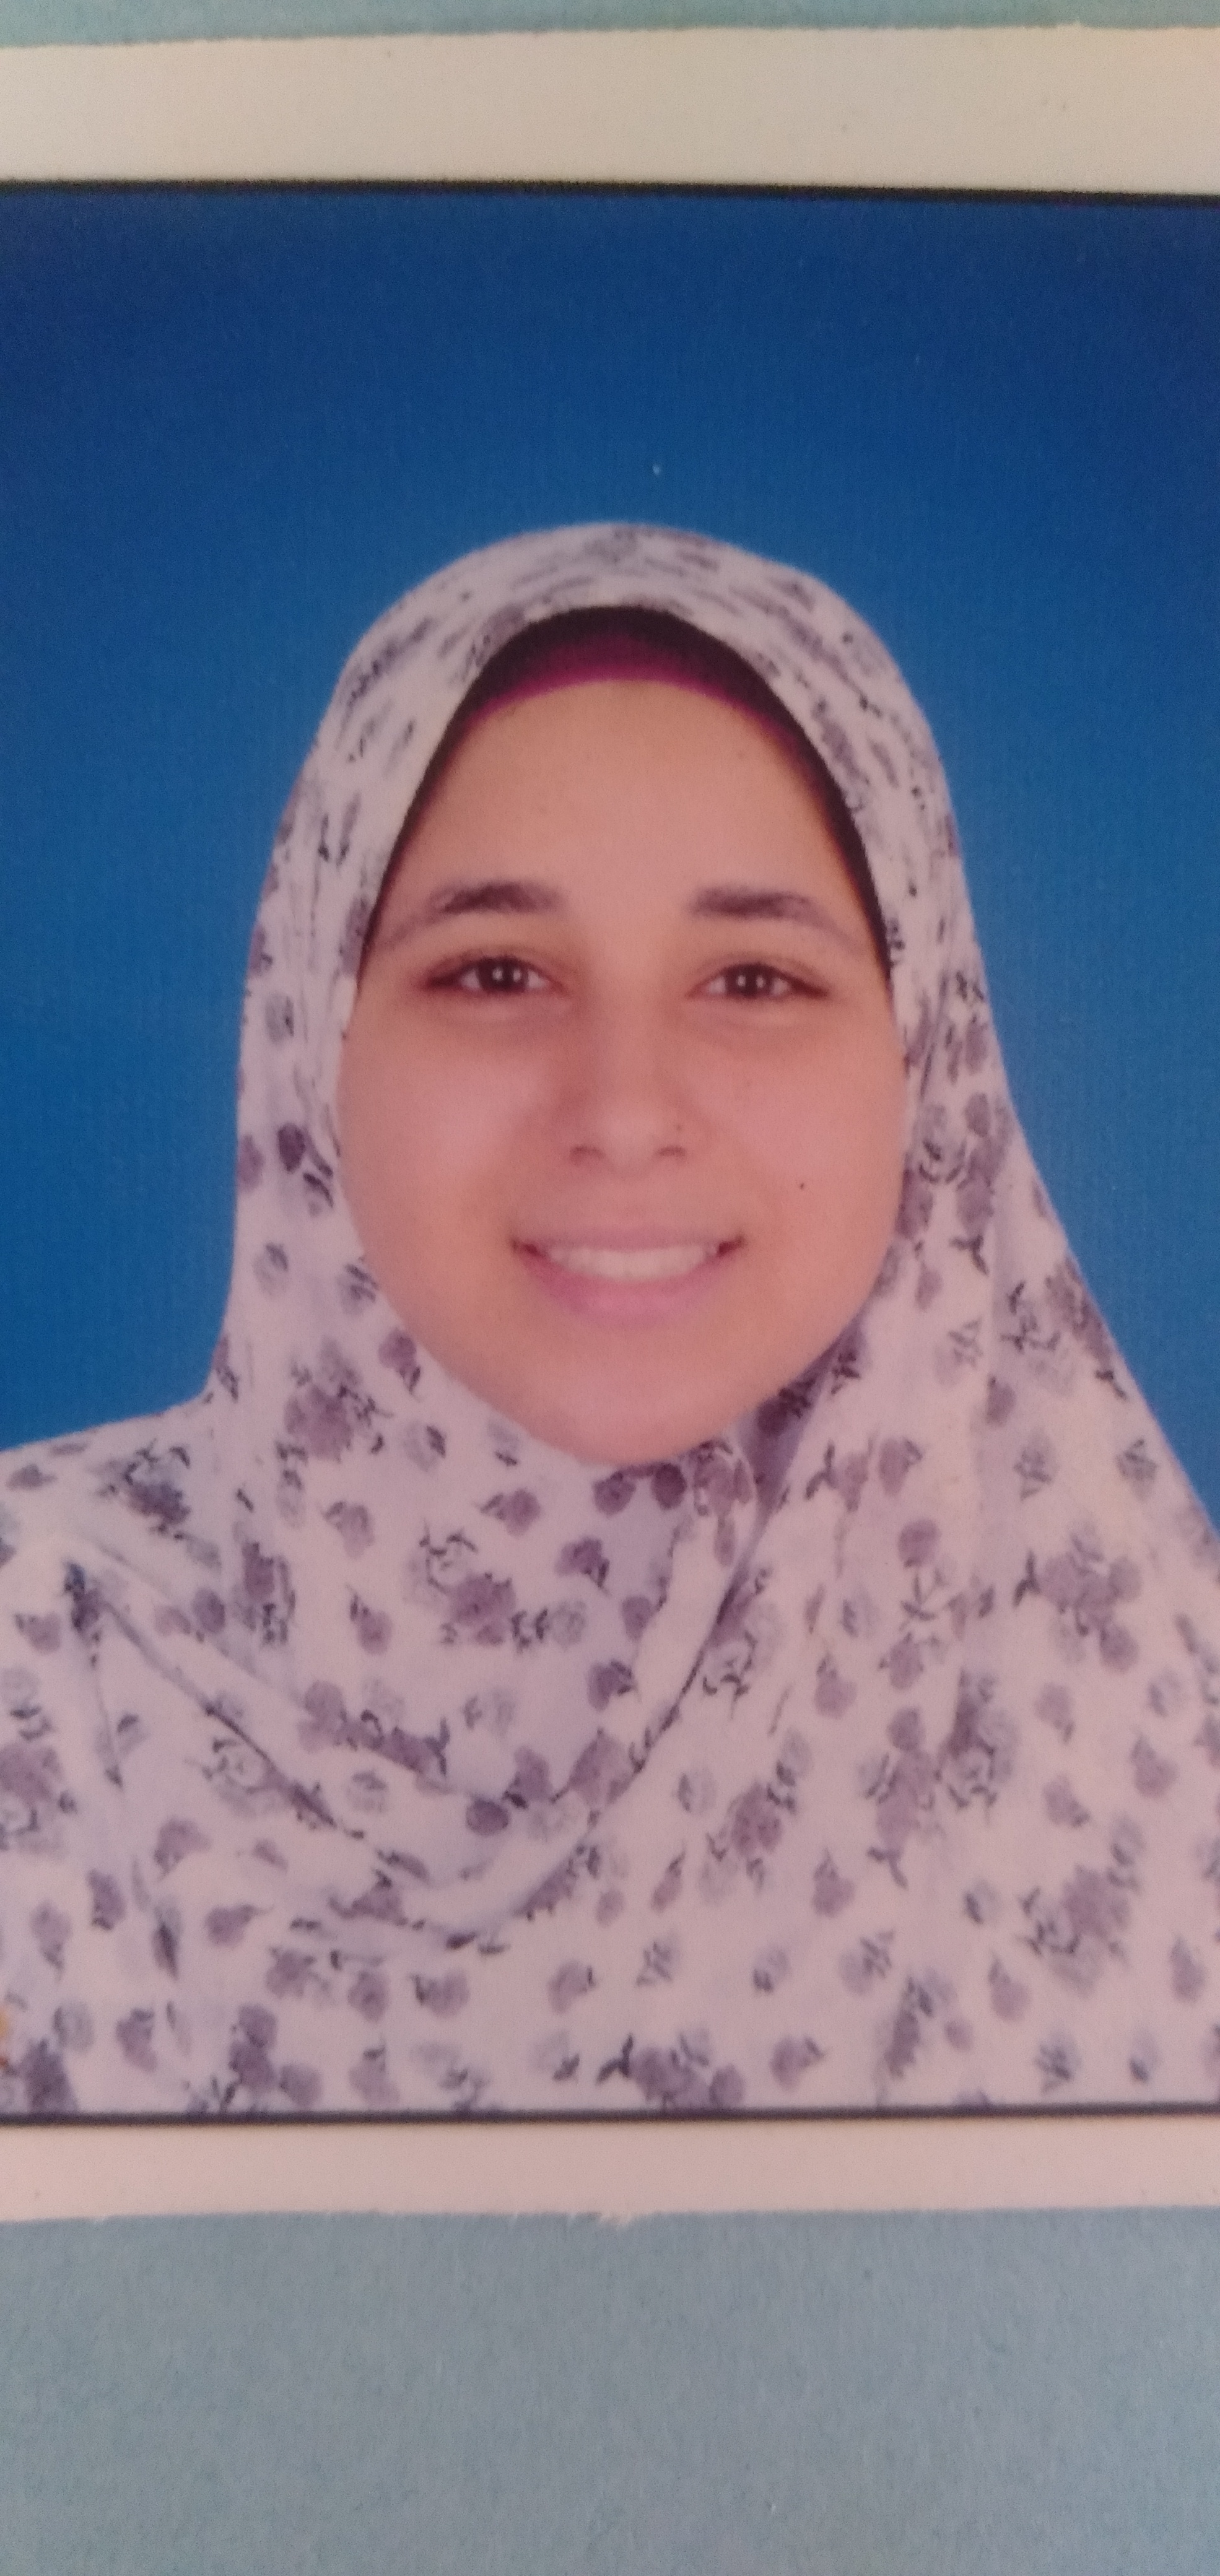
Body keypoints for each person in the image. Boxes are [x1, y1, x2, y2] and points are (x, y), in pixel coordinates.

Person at [1, 522, 1217, 2118]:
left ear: (927, 1056)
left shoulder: (1150, 1723)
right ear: (312, 1030)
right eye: (498, 973)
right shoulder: (42, 1648)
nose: (626, 1112)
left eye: (754, 980)